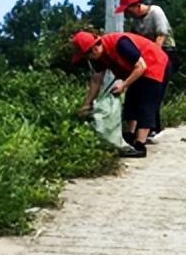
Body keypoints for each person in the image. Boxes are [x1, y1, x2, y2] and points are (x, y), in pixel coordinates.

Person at [72, 30, 170, 159]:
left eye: (86, 56)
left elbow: (141, 66)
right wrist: (87, 104)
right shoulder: (100, 56)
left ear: (94, 49)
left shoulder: (120, 44)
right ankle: (130, 136)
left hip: (155, 64)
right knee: (131, 101)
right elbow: (96, 80)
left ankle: (140, 145)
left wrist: (123, 85)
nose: (87, 60)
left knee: (146, 103)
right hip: (136, 70)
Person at [115, 0, 177, 137]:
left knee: (154, 90)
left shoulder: (155, 12)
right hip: (148, 57)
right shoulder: (136, 22)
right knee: (140, 90)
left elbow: (161, 36)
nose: (129, 15)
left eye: (129, 10)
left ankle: (153, 127)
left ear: (137, 6)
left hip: (164, 53)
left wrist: (153, 61)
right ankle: (138, 128)